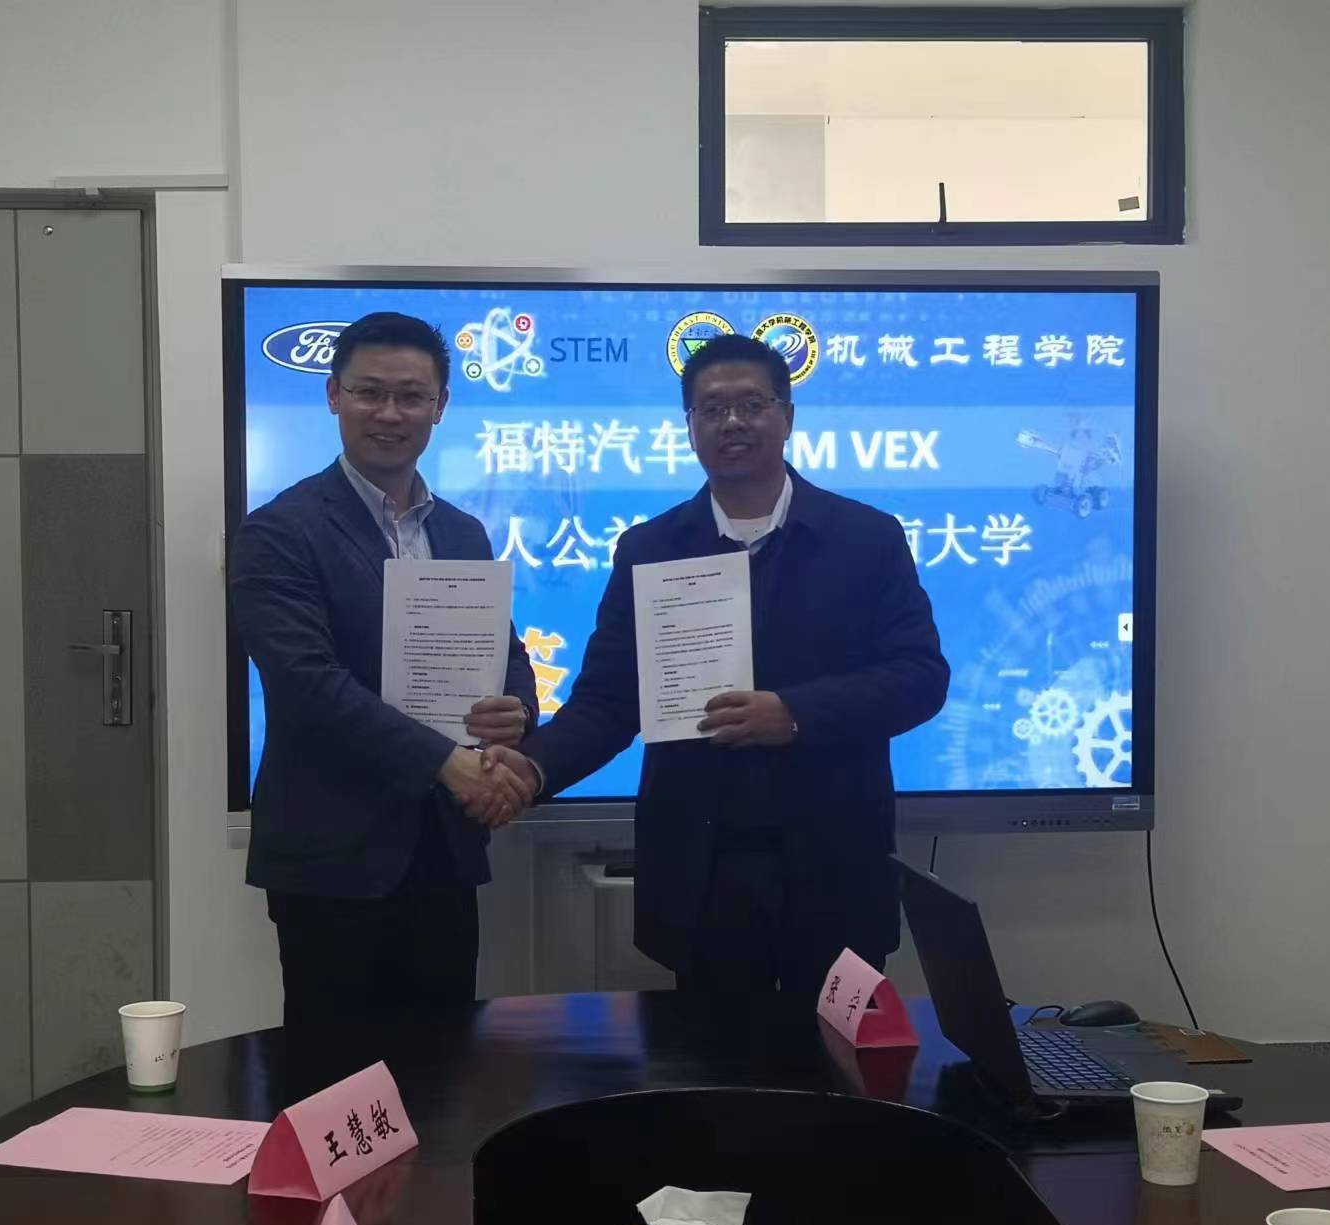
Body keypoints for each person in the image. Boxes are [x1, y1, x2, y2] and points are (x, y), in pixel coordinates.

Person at [487, 333, 949, 995]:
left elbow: (920, 677)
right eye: (712, 409)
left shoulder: (865, 538)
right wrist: (531, 767)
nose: (733, 422)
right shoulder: (652, 549)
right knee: (712, 1059)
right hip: (702, 872)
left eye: (752, 405)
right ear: (690, 426)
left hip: (835, 863)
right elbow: (610, 701)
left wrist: (794, 714)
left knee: (838, 1059)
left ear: (787, 417)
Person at [229, 312, 538, 1033]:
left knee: (446, 1064)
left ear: (440, 406)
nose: (390, 413)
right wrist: (447, 763)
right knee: (337, 1074)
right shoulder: (279, 530)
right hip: (333, 859)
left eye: (411, 396)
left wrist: (515, 716)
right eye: (370, 392)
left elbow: (505, 651)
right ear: (333, 395)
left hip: (444, 849)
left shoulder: (461, 531)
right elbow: (308, 685)